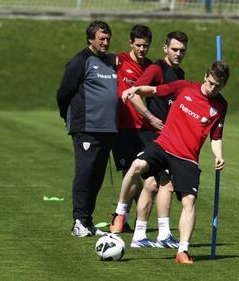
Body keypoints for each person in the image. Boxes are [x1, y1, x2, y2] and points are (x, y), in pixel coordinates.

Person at [121, 61, 229, 264]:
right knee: (136, 166)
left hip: (187, 157)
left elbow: (216, 136)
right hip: (164, 145)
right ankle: (120, 213)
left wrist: (219, 155)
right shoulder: (185, 87)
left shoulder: (221, 105)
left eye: (218, 86)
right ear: (205, 76)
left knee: (189, 202)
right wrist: (135, 88)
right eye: (211, 83)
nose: (213, 88)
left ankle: (182, 251)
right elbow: (153, 90)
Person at [110, 31, 188, 249]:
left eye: (182, 50)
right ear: (165, 48)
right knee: (161, 181)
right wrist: (151, 118)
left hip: (168, 136)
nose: (178, 54)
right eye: (174, 49)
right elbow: (133, 93)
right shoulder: (156, 68)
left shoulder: (179, 72)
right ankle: (122, 215)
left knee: (155, 183)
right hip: (152, 135)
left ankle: (142, 235)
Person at [56, 21, 118, 237]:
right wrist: (68, 117)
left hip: (108, 130)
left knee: (97, 177)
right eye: (101, 38)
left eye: (108, 38)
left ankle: (88, 221)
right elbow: (63, 93)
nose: (105, 42)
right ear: (90, 39)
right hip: (86, 128)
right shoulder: (80, 61)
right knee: (85, 174)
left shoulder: (110, 62)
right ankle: (78, 222)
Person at [109, 24, 153, 234]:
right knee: (130, 172)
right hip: (123, 127)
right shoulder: (119, 61)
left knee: (143, 174)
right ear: (130, 44)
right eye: (138, 45)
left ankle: (126, 218)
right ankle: (127, 218)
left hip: (143, 128)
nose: (142, 49)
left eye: (145, 45)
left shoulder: (151, 68)